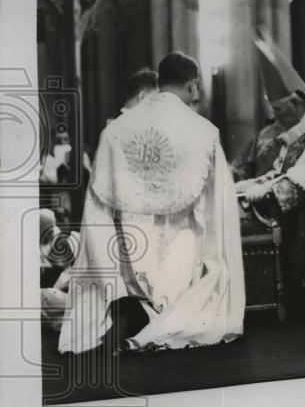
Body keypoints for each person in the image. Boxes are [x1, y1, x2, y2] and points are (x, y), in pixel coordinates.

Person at [58, 52, 245, 354]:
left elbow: (98, 201)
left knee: (138, 272)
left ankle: (130, 320)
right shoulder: (204, 132)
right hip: (181, 240)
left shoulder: (116, 129)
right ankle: (157, 328)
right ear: (194, 85)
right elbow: (217, 206)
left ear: (159, 81)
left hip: (131, 243)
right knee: (202, 282)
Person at [237, 31, 305, 308]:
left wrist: (265, 192)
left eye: (279, 108)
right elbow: (282, 171)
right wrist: (258, 182)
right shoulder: (292, 132)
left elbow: (303, 183)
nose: (276, 116)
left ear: (297, 103)